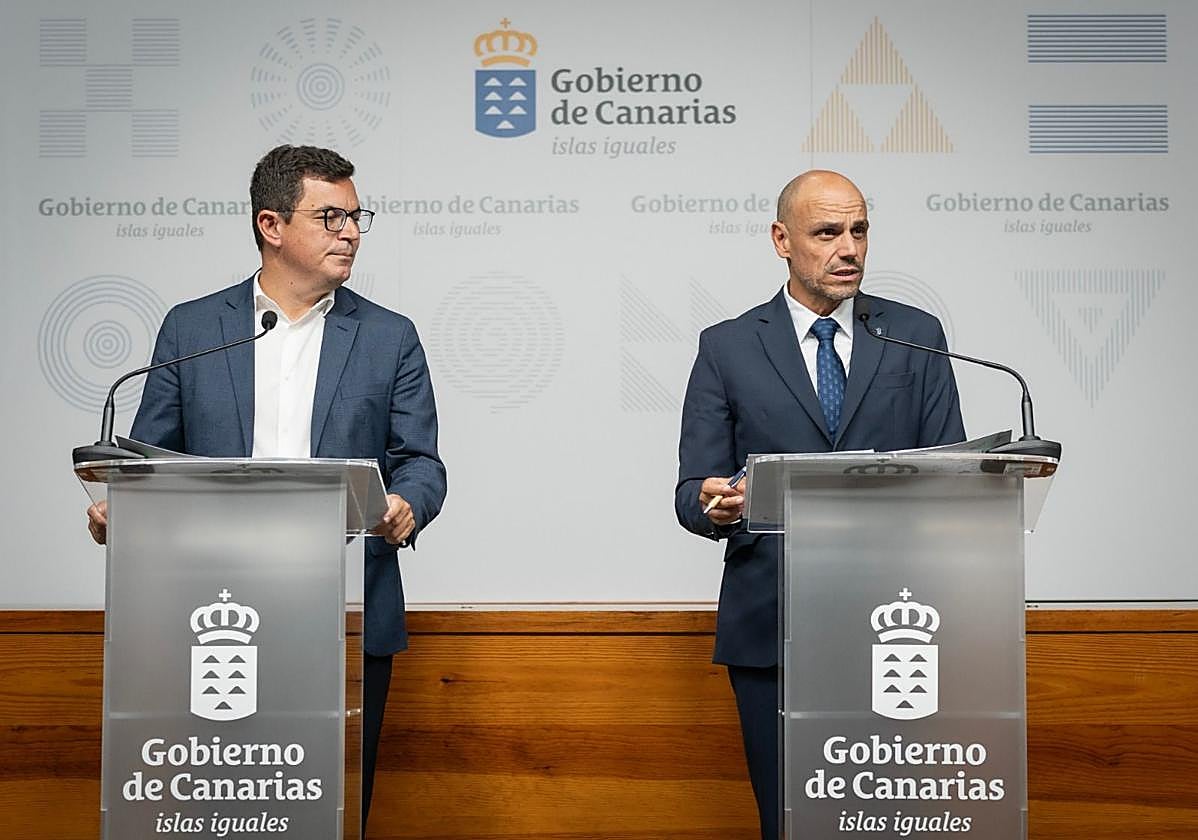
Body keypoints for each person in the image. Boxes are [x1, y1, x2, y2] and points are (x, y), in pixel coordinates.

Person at [86, 144, 447, 830]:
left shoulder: (388, 337)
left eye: (356, 216)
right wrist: (125, 507)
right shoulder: (194, 329)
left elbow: (421, 462)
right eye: (331, 216)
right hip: (202, 610)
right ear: (271, 225)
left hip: (344, 607)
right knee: (216, 804)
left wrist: (407, 504)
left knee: (331, 808)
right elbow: (148, 461)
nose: (351, 232)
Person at [674, 170, 965, 838]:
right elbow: (693, 491)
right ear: (782, 240)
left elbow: (953, 475)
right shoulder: (727, 346)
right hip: (771, 624)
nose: (849, 248)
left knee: (887, 821)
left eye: (859, 230)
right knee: (789, 820)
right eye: (828, 232)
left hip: (896, 629)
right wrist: (714, 504)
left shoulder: (914, 334)